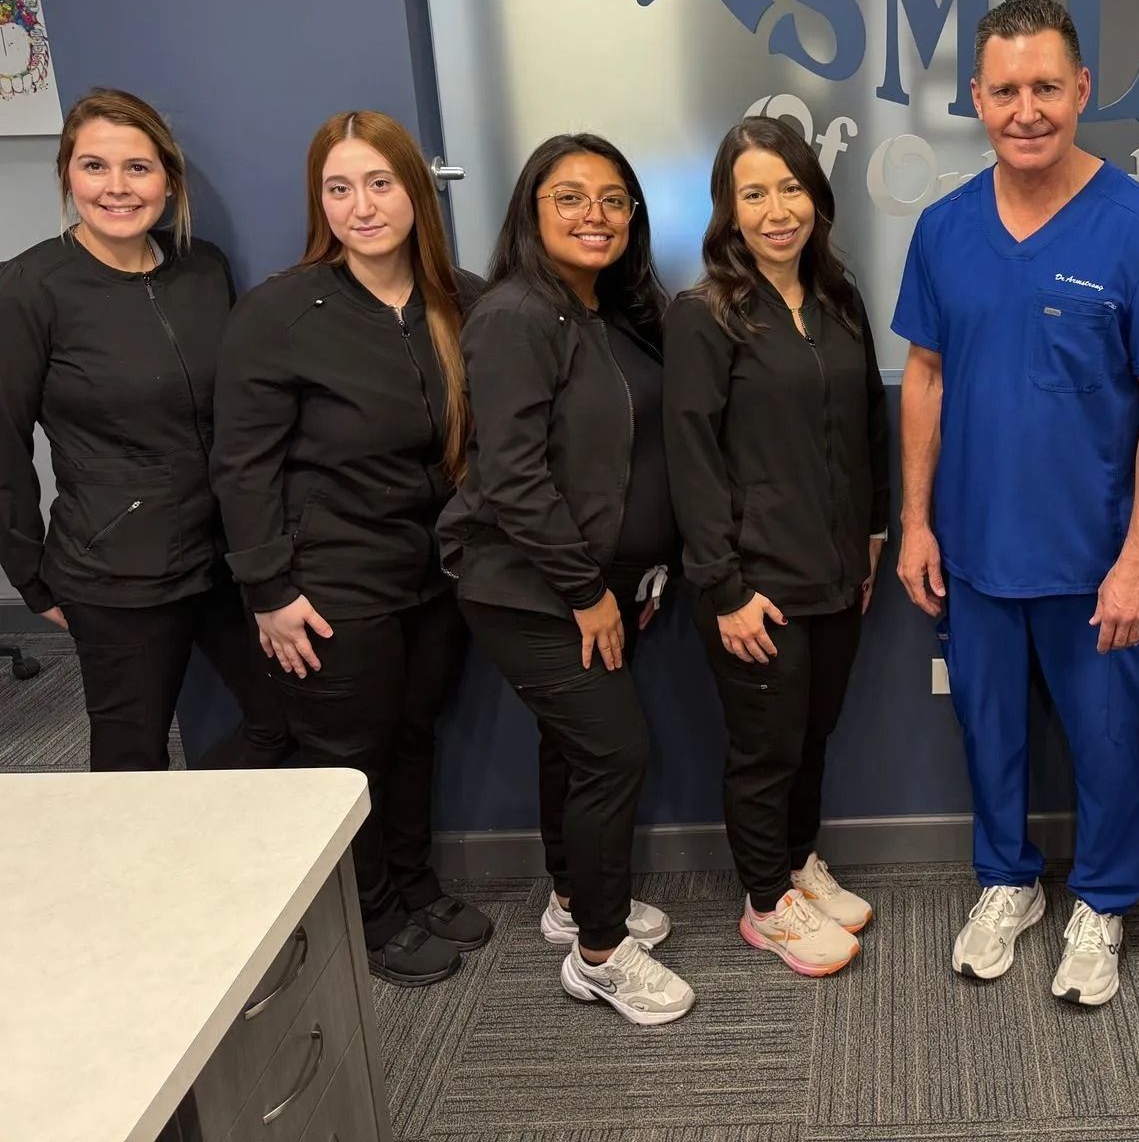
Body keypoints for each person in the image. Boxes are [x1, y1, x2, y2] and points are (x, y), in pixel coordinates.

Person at [893, 0, 1139, 1010]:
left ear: (1080, 90)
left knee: (1109, 744)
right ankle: (1006, 883)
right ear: (975, 99)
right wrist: (914, 519)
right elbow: (926, 377)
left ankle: (1105, 902)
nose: (1024, 109)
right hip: (977, 550)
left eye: (1045, 87)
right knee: (989, 733)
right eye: (1004, 90)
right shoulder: (944, 230)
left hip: (1094, 560)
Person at [213, 111, 489, 988]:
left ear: (416, 190)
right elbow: (241, 464)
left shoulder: (463, 302)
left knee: (413, 735)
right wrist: (266, 589)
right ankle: (370, 912)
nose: (362, 206)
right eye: (339, 188)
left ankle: (414, 883)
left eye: (379, 183)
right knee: (350, 755)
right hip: (330, 583)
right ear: (318, 202)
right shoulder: (282, 311)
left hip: (434, 576)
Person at [438, 133, 694, 1026]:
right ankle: (599, 952)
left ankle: (569, 900)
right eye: (571, 197)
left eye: (614, 198)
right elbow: (512, 475)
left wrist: (640, 572)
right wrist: (588, 593)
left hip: (605, 582)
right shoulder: (515, 315)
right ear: (530, 211)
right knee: (613, 751)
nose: (596, 214)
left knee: (573, 747)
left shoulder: (611, 312)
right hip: (530, 587)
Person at [0, 88, 290, 772]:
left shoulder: (204, 269)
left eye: (137, 167)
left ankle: (201, 848)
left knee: (288, 723)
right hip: (115, 574)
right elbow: (2, 444)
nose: (117, 188)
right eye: (94, 166)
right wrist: (30, 576)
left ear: (168, 179)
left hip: (225, 557)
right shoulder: (28, 288)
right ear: (68, 175)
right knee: (131, 766)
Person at [664, 115, 889, 978]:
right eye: (753, 193)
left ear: (815, 197)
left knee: (812, 734)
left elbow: (869, 419)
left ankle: (796, 866)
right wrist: (722, 588)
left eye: (790, 188)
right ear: (729, 209)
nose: (775, 210)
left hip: (838, 572)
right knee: (764, 749)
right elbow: (692, 459)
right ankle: (766, 904)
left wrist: (872, 533)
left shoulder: (837, 297)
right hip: (754, 583)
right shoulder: (705, 314)